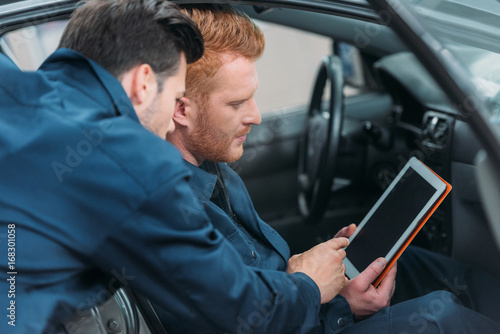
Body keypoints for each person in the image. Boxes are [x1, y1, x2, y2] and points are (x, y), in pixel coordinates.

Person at [0, 1, 353, 333]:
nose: (170, 123)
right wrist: (310, 286)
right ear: (143, 84)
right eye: (174, 97)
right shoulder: (130, 163)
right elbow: (239, 307)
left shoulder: (11, 89)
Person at [166, 4, 500, 333]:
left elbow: (257, 280)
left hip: (295, 304)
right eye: (236, 103)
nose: (256, 116)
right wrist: (340, 306)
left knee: (405, 262)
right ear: (182, 110)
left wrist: (319, 270)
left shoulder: (213, 166)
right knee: (439, 318)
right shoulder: (175, 216)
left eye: (252, 98)